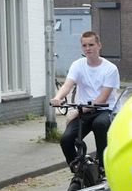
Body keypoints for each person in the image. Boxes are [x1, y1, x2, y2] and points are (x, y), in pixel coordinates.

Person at [51, 31, 120, 171]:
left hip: (104, 109)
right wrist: (58, 97)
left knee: (100, 124)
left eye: (91, 45)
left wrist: (76, 112)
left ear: (99, 45)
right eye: (84, 45)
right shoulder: (77, 65)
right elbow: (67, 85)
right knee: (66, 139)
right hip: (84, 111)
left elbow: (102, 98)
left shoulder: (110, 69)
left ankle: (103, 166)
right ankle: (79, 170)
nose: (88, 48)